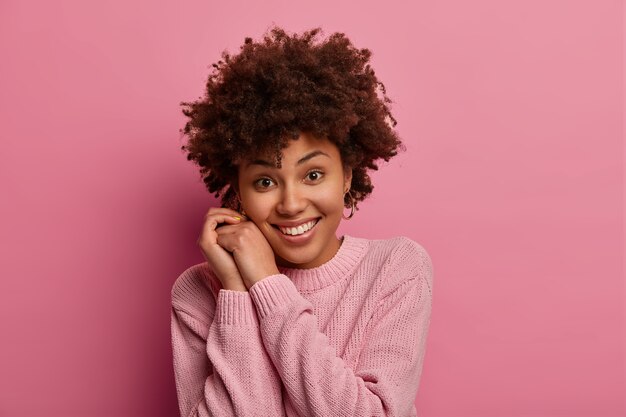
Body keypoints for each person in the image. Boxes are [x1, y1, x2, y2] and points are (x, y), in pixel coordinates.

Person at [171, 25, 434, 417]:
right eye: (264, 181)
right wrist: (237, 291)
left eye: (313, 175)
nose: (291, 204)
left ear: (347, 174)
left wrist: (268, 283)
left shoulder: (398, 267)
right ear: (238, 191)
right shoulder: (198, 292)